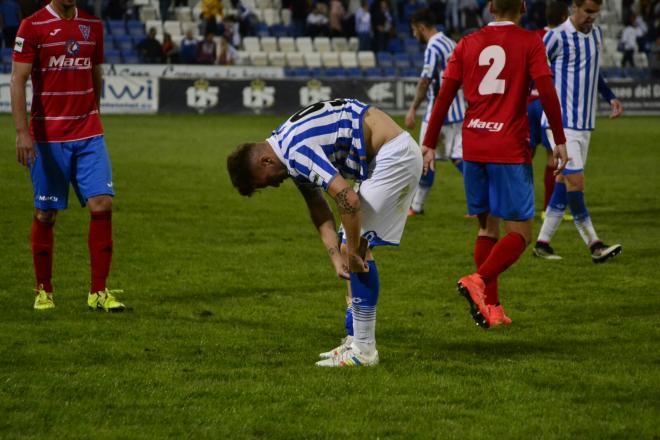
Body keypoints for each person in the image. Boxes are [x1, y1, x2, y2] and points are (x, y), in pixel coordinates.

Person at [227, 99, 422, 366]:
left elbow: (347, 198)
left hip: (395, 156)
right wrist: (337, 256)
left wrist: (351, 252)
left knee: (357, 247)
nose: (273, 186)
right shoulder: (284, 147)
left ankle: (364, 350)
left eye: (266, 182)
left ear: (265, 161)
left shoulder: (295, 151)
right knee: (348, 247)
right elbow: (318, 208)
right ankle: (355, 340)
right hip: (385, 156)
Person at [421, 0, 568, 328]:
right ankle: (479, 280)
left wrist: (429, 143)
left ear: (490, 7)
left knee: (487, 228)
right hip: (509, 148)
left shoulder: (467, 43)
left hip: (473, 145)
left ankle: (494, 307)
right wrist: (559, 140)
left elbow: (444, 96)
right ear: (523, 7)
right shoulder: (531, 42)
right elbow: (547, 92)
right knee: (522, 234)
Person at [11, 0, 125, 311]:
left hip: (89, 134)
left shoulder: (93, 26)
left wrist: (96, 114)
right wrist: (23, 133)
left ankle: (98, 293)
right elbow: (17, 80)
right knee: (46, 214)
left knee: (102, 203)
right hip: (48, 138)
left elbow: (95, 72)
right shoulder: (31, 26)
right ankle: (44, 290)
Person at [533, 0, 623, 263]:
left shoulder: (596, 34)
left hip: (584, 125)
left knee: (563, 183)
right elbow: (533, 68)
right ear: (574, 7)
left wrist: (610, 97)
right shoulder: (556, 37)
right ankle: (594, 245)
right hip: (560, 125)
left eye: (596, 13)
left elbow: (594, 73)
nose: (592, 18)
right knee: (576, 181)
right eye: (588, 12)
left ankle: (542, 243)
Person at [404, 8, 465, 216]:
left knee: (425, 157)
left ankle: (417, 206)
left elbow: (425, 79)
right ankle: (482, 202)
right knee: (458, 157)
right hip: (458, 111)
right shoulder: (451, 43)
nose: (414, 35)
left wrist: (413, 108)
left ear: (421, 27)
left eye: (414, 30)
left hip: (438, 112)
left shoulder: (433, 46)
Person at [527, 0, 568, 211]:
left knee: (525, 155)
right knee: (552, 156)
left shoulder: (534, 37)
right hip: (547, 103)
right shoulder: (565, 38)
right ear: (564, 18)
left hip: (528, 103)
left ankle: (520, 203)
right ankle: (548, 209)